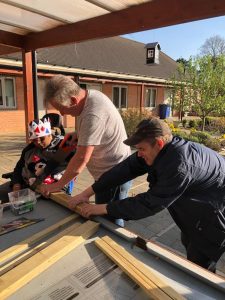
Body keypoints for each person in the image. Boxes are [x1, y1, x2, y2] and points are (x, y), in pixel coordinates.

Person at [68, 117, 225, 273]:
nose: (139, 153)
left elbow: (148, 204)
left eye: (141, 149)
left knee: (199, 264)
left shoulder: (179, 165)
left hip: (214, 213)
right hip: (196, 204)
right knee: (189, 239)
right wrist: (87, 193)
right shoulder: (160, 150)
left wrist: (102, 208)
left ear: (159, 143)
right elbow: (125, 168)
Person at [40, 75, 131, 227]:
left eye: (62, 109)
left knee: (110, 222)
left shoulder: (92, 114)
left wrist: (58, 185)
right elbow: (98, 129)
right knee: (103, 216)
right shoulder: (90, 97)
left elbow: (81, 159)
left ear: (74, 100)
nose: (62, 114)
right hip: (105, 174)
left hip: (115, 175)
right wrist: (79, 135)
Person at [11, 117, 75, 194]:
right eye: (34, 140)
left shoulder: (64, 146)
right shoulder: (29, 150)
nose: (38, 143)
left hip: (54, 190)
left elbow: (78, 164)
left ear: (49, 134)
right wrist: (16, 184)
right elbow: (18, 168)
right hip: (28, 187)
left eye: (42, 139)